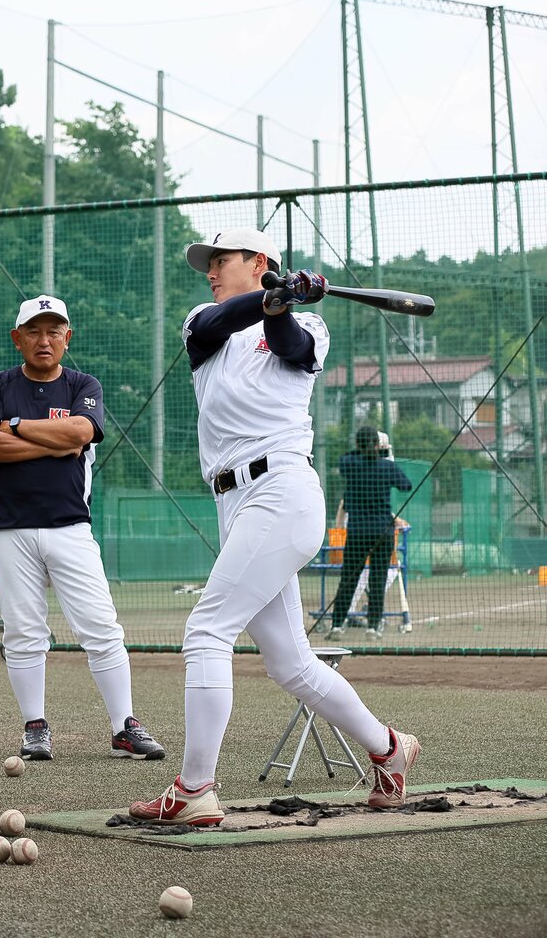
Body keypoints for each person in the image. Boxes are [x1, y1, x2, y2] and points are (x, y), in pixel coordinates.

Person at [129, 228, 420, 826]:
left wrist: (283, 305)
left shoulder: (308, 326)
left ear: (259, 261)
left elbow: (289, 346)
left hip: (281, 490)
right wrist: (269, 296)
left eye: (221, 260)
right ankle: (389, 748)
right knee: (290, 662)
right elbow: (220, 322)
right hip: (234, 501)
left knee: (206, 631)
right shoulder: (203, 321)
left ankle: (194, 789)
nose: (210, 271)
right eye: (208, 263)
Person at [0, 295, 166, 761]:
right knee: (23, 632)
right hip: (10, 528)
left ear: (67, 338)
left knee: (101, 628)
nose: (44, 340)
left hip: (70, 525)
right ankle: (34, 727)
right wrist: (51, 443)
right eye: (34, 331)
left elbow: (81, 433)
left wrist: (16, 426)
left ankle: (124, 728)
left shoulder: (83, 384)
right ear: (17, 338)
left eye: (54, 331)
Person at [327, 425, 412, 639]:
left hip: (357, 532)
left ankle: (337, 625)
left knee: (348, 579)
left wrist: (363, 449)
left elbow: (344, 460)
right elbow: (406, 485)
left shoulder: (350, 464)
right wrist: (381, 454)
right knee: (377, 579)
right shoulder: (387, 467)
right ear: (377, 444)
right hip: (382, 532)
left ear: (357, 444)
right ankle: (373, 627)